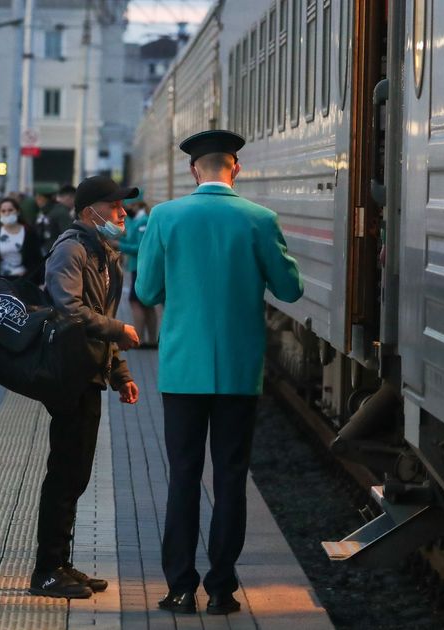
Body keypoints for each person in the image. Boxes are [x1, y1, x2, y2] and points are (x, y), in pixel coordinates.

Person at [135, 130, 304, 616]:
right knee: (230, 476)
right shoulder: (259, 219)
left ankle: (181, 589)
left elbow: (146, 292)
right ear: (236, 168)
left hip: (182, 371)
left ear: (194, 170)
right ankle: (223, 589)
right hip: (237, 370)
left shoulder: (166, 217)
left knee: (183, 477)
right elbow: (289, 290)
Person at [29, 175, 141, 599]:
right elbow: (69, 308)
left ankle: (60, 562)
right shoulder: (72, 249)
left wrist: (121, 375)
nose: (122, 214)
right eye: (115, 207)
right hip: (70, 374)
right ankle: (46, 571)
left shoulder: (102, 253)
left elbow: (99, 320)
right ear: (90, 210)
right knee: (64, 473)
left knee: (76, 474)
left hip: (89, 373)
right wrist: (118, 330)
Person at [118, 199, 161, 347]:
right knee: (146, 305)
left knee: (135, 302)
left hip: (142, 266)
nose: (126, 209)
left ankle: (140, 339)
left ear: (138, 205)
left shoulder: (143, 221)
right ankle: (151, 340)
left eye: (129, 205)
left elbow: (141, 247)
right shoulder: (136, 220)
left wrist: (119, 245)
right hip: (138, 266)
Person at [0, 197, 42, 293]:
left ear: (17, 211)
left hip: (24, 282)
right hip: (1, 282)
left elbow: (38, 259)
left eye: (10, 210)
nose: (7, 213)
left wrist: (40, 282)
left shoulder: (29, 233)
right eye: (3, 211)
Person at [34, 186, 73, 256]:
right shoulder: (42, 211)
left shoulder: (60, 212)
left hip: (56, 252)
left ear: (46, 199)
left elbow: (68, 234)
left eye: (39, 198)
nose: (37, 201)